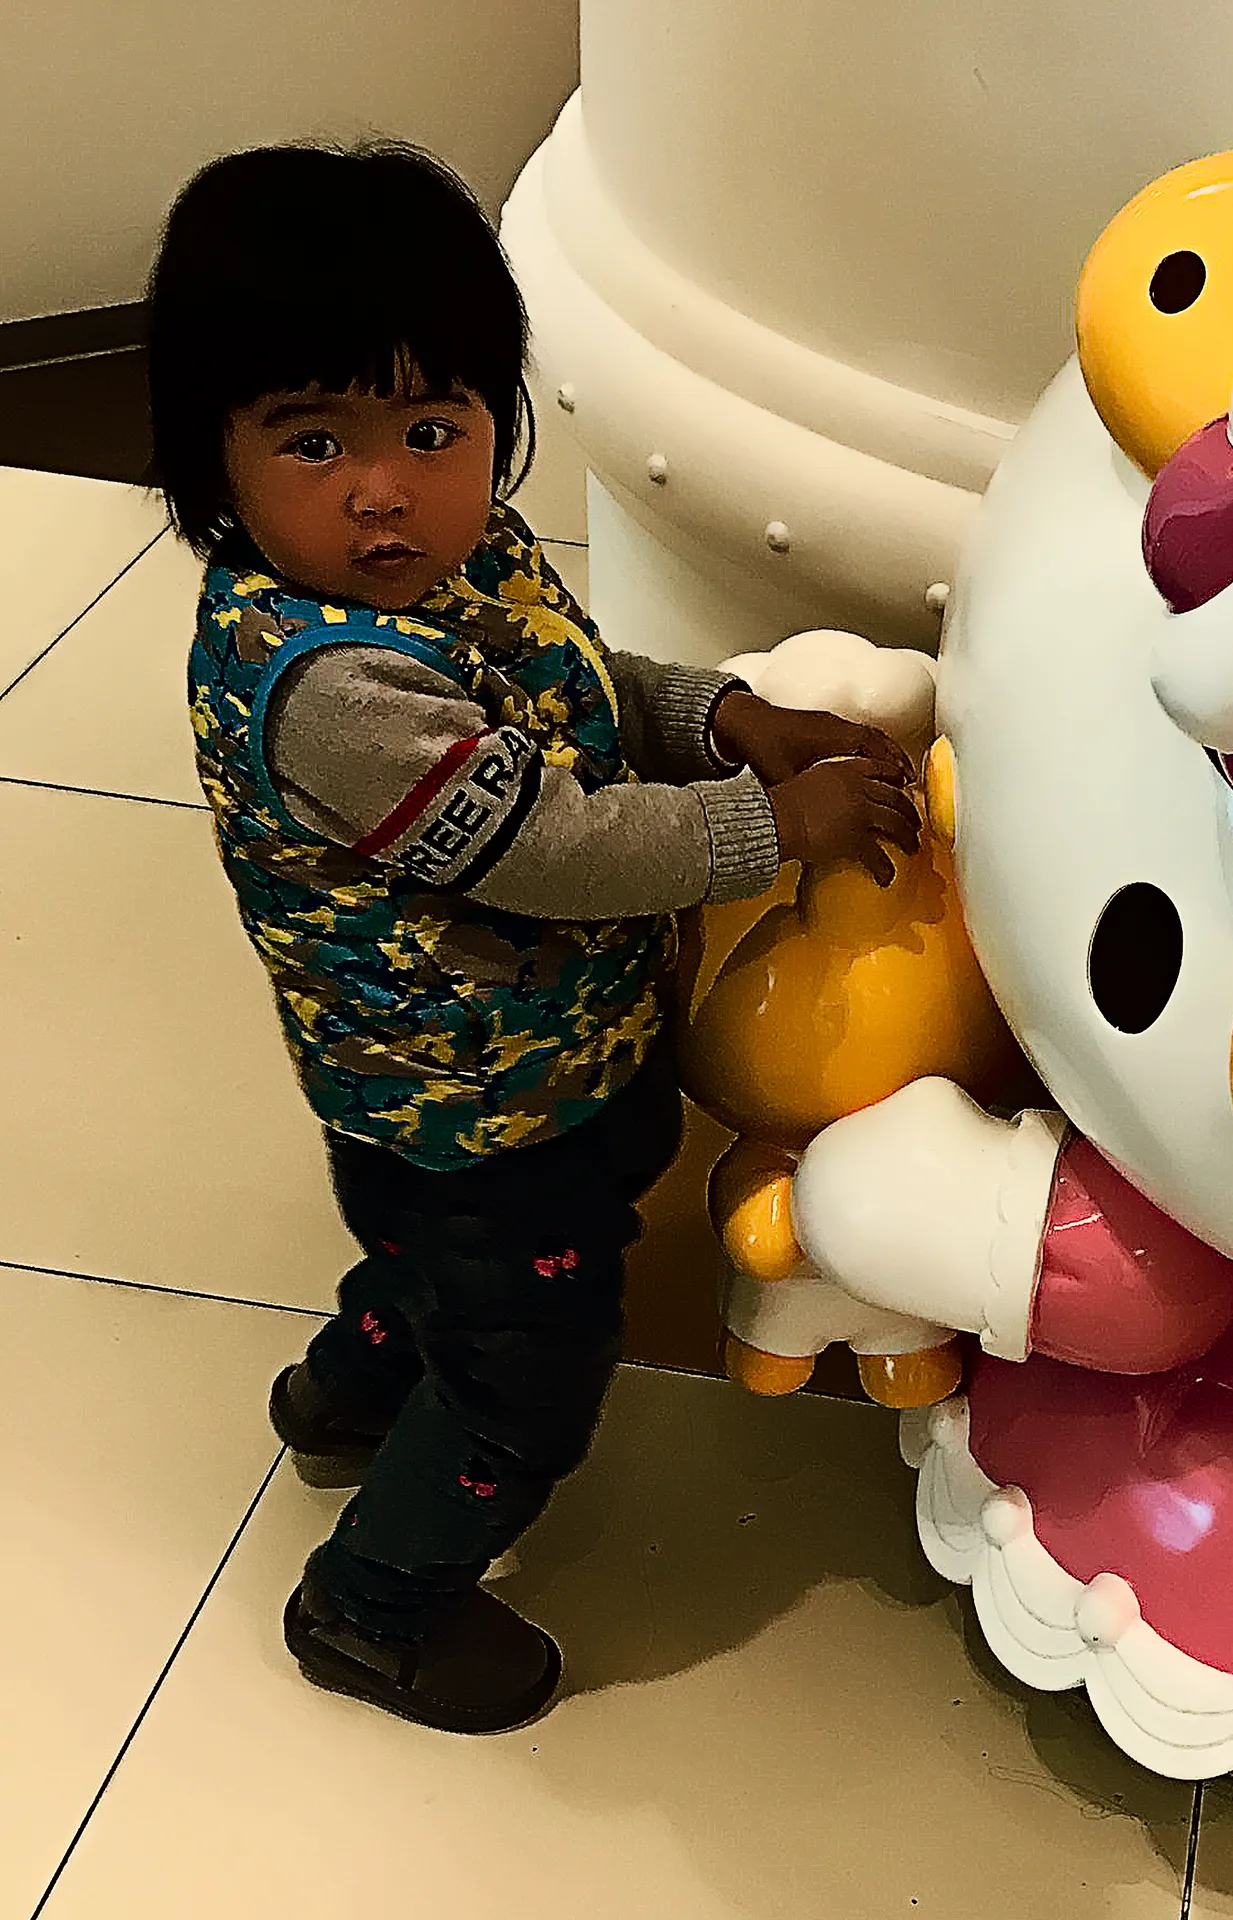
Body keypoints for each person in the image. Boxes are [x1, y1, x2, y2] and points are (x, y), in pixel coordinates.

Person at [145, 139, 920, 1736]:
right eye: (313, 440)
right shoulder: (335, 690)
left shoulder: (454, 557)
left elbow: (569, 683)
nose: (384, 487)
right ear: (210, 459)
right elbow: (553, 847)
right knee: (523, 1375)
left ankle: (351, 1392)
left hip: (521, 1073)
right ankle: (372, 1605)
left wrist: (725, 715)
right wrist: (772, 826)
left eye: (433, 429)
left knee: (441, 1254)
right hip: (470, 1107)